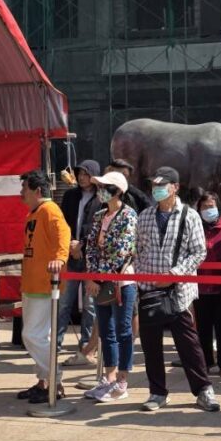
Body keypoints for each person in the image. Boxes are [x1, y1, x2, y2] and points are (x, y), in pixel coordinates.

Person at [135, 167, 217, 412]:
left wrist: (175, 274)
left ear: (175, 187)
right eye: (154, 185)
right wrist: (144, 275)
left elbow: (199, 251)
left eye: (162, 185)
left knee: (188, 343)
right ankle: (157, 392)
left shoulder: (189, 215)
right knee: (151, 345)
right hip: (149, 289)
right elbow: (137, 249)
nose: (157, 189)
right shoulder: (146, 216)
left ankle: (203, 390)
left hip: (179, 291)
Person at [82, 171, 138, 403]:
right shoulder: (98, 216)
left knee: (123, 331)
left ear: (118, 192)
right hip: (99, 282)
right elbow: (91, 247)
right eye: (99, 187)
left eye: (105, 187)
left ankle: (122, 381)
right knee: (106, 331)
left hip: (121, 282)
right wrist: (92, 277)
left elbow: (121, 251)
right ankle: (109, 377)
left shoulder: (129, 215)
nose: (100, 191)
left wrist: (99, 277)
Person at [16, 171, 71, 402]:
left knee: (31, 336)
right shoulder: (34, 213)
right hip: (33, 283)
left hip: (45, 283)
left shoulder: (50, 210)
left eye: (25, 189)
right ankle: (43, 383)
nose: (21, 194)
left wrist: (60, 258)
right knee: (41, 336)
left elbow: (63, 234)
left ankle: (55, 380)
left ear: (37, 191)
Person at [60, 160, 103, 367]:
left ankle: (87, 344)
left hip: (91, 257)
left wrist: (83, 245)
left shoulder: (101, 198)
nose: (82, 177)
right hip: (70, 254)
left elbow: (100, 227)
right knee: (64, 302)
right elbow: (63, 223)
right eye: (80, 173)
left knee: (90, 304)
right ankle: (56, 343)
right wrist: (70, 245)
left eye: (86, 174)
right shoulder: (70, 195)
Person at [194, 191, 221, 375]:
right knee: (203, 328)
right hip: (200, 287)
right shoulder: (195, 227)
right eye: (204, 207)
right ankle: (208, 362)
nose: (208, 210)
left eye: (211, 207)